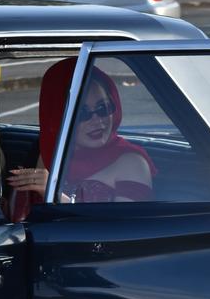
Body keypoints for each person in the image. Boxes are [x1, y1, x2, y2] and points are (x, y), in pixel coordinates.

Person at [8, 57, 155, 209]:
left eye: (102, 108)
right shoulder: (49, 152)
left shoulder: (132, 162)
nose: (97, 120)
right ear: (59, 117)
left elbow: (124, 229)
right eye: (82, 113)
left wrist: (54, 193)